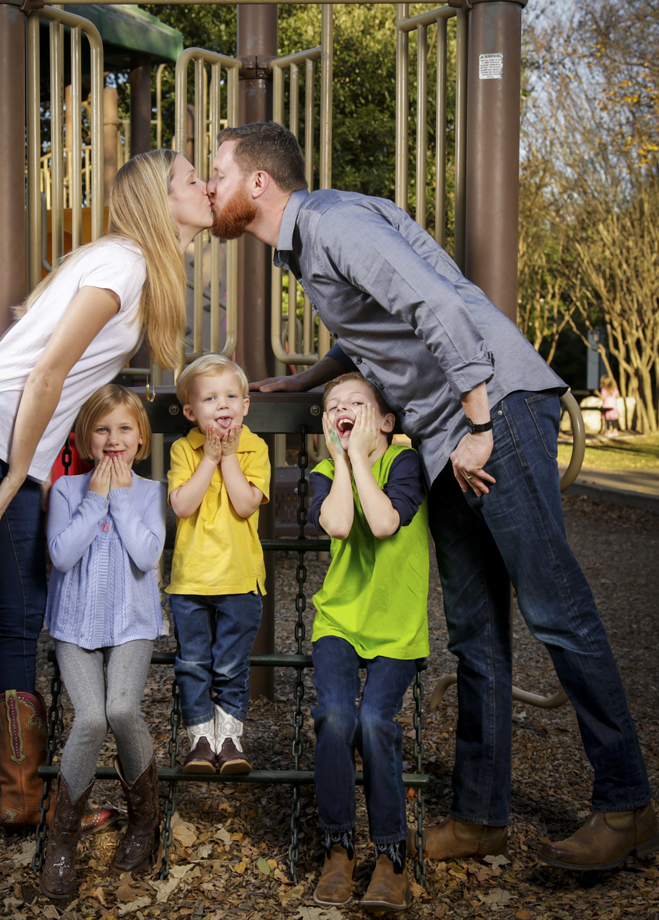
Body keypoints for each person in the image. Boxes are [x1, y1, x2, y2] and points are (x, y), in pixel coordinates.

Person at [206, 121, 658, 871]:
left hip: (493, 414)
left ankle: (627, 801)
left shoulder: (334, 225)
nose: (211, 188)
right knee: (474, 629)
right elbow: (377, 327)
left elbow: (438, 310)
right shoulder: (315, 239)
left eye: (216, 172)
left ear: (257, 184)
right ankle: (484, 817)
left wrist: (480, 423)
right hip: (450, 432)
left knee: (556, 608)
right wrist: (309, 380)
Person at [0, 150, 214, 872]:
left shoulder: (132, 267)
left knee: (25, 615)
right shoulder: (124, 266)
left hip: (10, 443)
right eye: (189, 179)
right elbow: (48, 369)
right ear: (158, 199)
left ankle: (26, 799)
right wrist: (26, 467)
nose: (203, 186)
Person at [307, 373, 428, 912]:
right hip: (339, 621)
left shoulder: (403, 464)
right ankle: (338, 847)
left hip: (397, 627)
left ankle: (389, 857)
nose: (343, 409)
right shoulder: (322, 473)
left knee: (377, 722)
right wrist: (340, 460)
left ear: (385, 421)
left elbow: (382, 523)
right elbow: (337, 523)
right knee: (336, 718)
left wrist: (359, 458)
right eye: (334, 406)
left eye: (357, 403)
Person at [40, 386, 164, 900]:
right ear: (85, 438)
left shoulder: (152, 492)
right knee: (90, 718)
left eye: (124, 429)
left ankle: (143, 823)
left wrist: (118, 498)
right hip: (75, 627)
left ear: (141, 440)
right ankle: (61, 843)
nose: (114, 439)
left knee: (122, 711)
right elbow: (61, 556)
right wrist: (95, 500)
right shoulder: (68, 490)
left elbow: (146, 554)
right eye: (102, 429)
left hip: (132, 624)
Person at [166, 354, 271, 774]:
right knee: (193, 663)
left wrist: (228, 455)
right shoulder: (184, 449)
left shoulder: (254, 448)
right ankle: (200, 741)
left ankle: (230, 740)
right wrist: (208, 457)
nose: (223, 404)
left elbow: (246, 505)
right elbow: (182, 505)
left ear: (246, 405)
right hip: (191, 580)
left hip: (240, 578)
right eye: (210, 398)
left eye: (231, 396)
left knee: (230, 664)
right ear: (192, 412)